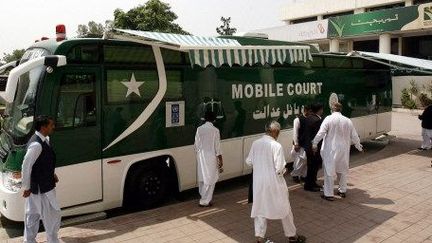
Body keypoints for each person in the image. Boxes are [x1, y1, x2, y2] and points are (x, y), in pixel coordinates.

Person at [246, 121, 306, 243]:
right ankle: (292, 236)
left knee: (260, 210)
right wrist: (285, 170)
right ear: (275, 132)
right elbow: (279, 169)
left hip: (259, 184)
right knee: (285, 208)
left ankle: (260, 238)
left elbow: (249, 162)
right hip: (274, 184)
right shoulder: (276, 146)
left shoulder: (255, 143)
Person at [312, 103, 363, 201]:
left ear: (332, 109)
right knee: (342, 170)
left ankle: (328, 194)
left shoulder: (328, 119)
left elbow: (321, 133)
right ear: (341, 110)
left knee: (329, 171)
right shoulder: (348, 121)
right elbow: (355, 136)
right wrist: (359, 147)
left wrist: (314, 143)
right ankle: (342, 191)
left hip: (331, 149)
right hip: (343, 149)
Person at [22, 116, 61, 243]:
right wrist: (26, 187)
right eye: (51, 125)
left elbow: (42, 163)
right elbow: (26, 166)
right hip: (42, 188)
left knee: (32, 216)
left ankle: (29, 241)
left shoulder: (44, 140)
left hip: (39, 186)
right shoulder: (36, 145)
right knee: (52, 216)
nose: (53, 127)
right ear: (43, 127)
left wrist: (52, 174)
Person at [194, 110, 223, 207]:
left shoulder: (199, 129)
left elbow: (196, 145)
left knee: (202, 177)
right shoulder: (215, 130)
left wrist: (200, 154)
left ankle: (204, 197)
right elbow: (217, 148)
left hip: (201, 157)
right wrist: (221, 160)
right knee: (210, 179)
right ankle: (205, 201)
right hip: (211, 157)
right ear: (214, 120)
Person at [300, 103, 324, 192]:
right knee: (314, 167)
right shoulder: (317, 120)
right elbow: (317, 135)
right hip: (314, 148)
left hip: (308, 146)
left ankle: (312, 183)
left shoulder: (308, 118)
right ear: (319, 110)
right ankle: (310, 185)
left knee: (311, 166)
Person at [290, 105, 311, 183]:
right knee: (299, 161)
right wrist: (296, 143)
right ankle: (295, 175)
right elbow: (295, 132)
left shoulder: (309, 119)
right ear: (306, 110)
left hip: (306, 143)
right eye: (309, 111)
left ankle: (303, 175)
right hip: (299, 144)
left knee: (305, 161)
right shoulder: (297, 120)